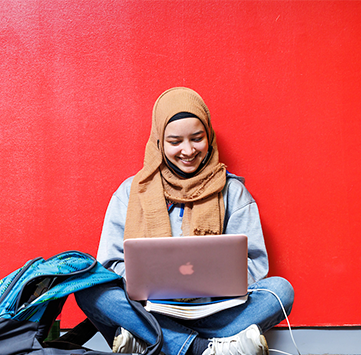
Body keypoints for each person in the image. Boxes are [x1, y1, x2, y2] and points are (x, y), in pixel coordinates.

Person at [76, 87, 294, 355]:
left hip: (216, 309)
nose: (188, 150)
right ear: (159, 142)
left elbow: (255, 264)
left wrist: (218, 286)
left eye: (197, 138)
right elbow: (109, 264)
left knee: (280, 291)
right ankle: (203, 348)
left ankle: (153, 341)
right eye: (175, 141)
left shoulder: (232, 191)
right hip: (149, 308)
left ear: (209, 137)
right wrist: (146, 284)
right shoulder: (130, 192)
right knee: (89, 291)